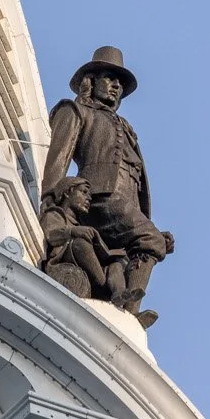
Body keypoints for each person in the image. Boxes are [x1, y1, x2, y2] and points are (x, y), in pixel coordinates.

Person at [40, 45, 174, 324]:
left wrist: (147, 224)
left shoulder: (125, 126)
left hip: (124, 204)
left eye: (120, 84)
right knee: (151, 240)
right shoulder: (76, 111)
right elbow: (58, 159)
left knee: (124, 259)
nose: (116, 87)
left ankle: (122, 310)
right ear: (92, 81)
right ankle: (131, 314)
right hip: (98, 196)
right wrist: (52, 202)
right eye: (109, 79)